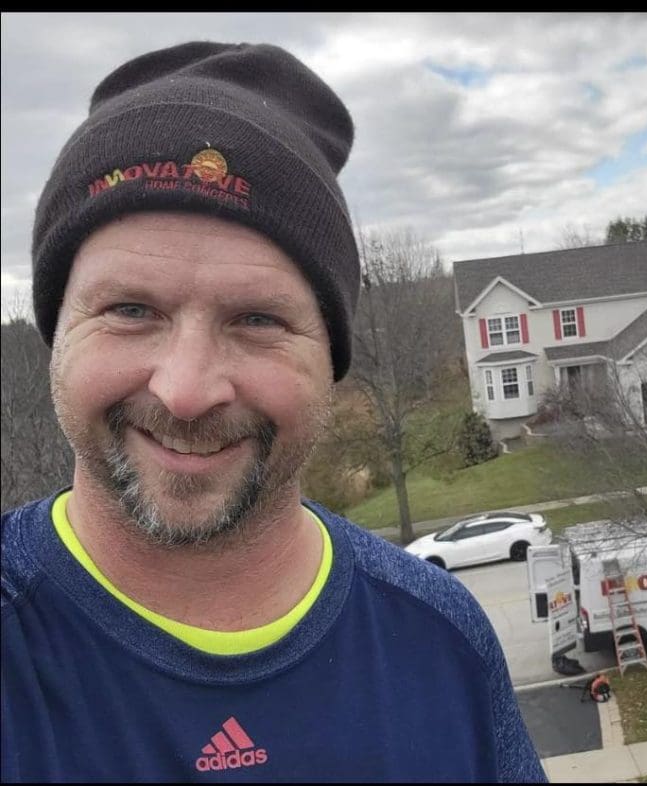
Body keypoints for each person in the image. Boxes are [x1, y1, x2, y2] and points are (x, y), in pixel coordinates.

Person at [1, 41, 546, 783]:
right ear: (57, 332)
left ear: (330, 360)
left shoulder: (440, 639)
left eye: (258, 320)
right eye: (131, 309)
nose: (186, 390)